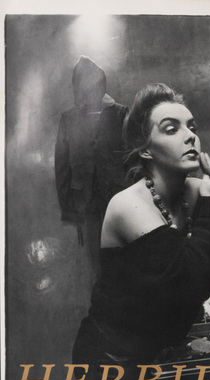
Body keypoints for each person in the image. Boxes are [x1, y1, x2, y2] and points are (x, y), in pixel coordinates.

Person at [71, 83, 210, 380]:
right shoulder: (128, 205)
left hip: (158, 354)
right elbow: (188, 281)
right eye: (172, 129)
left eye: (192, 127)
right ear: (145, 150)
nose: (190, 136)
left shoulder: (191, 192)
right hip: (114, 364)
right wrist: (209, 202)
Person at [54, 56, 130, 277]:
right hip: (86, 202)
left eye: (93, 83)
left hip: (118, 199)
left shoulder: (121, 114)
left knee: (121, 256)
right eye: (81, 85)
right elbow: (61, 166)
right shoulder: (68, 119)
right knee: (95, 262)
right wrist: (69, 208)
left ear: (101, 83)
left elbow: (132, 160)